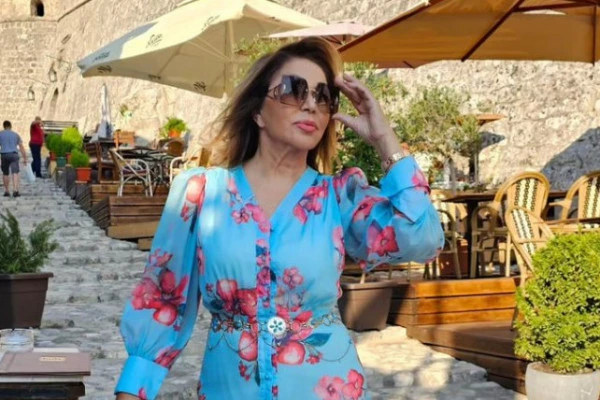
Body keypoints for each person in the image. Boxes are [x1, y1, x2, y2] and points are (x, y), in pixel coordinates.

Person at [114, 38, 444, 400]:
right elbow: (163, 299)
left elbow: (422, 238)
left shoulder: (340, 197)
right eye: (292, 90)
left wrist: (384, 139)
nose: (310, 104)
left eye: (323, 97)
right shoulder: (201, 194)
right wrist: (131, 390)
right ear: (257, 111)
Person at [0, 120, 27, 198]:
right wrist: (25, 158)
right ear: (10, 126)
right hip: (14, 155)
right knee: (15, 172)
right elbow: (21, 147)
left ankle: (7, 191)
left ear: (4, 126)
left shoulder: (0, 134)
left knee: (5, 173)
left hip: (4, 155)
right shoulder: (15, 134)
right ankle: (15, 190)